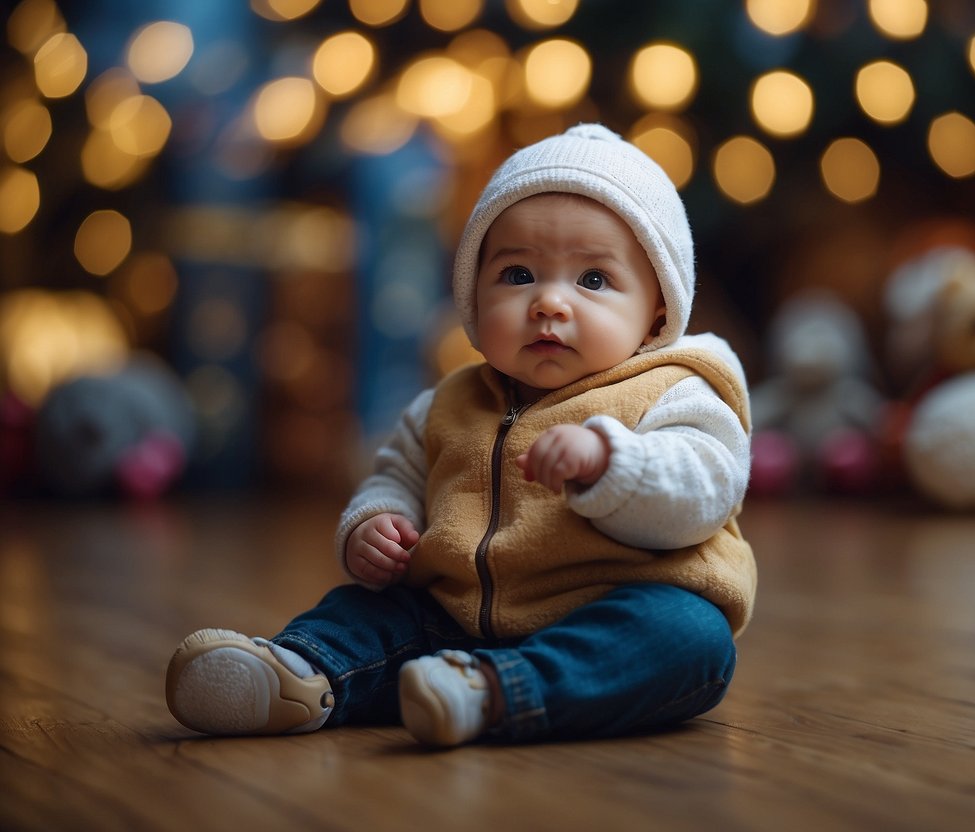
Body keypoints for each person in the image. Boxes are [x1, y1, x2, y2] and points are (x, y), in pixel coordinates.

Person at [165, 124, 757, 747]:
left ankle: (501, 690)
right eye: (519, 273)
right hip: (455, 618)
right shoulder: (449, 402)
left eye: (592, 280)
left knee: (690, 637)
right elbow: (394, 475)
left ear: (659, 308)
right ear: (474, 294)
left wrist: (613, 464)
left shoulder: (676, 389)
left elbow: (705, 488)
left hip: (610, 612)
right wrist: (376, 521)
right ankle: (297, 674)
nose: (549, 303)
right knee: (365, 611)